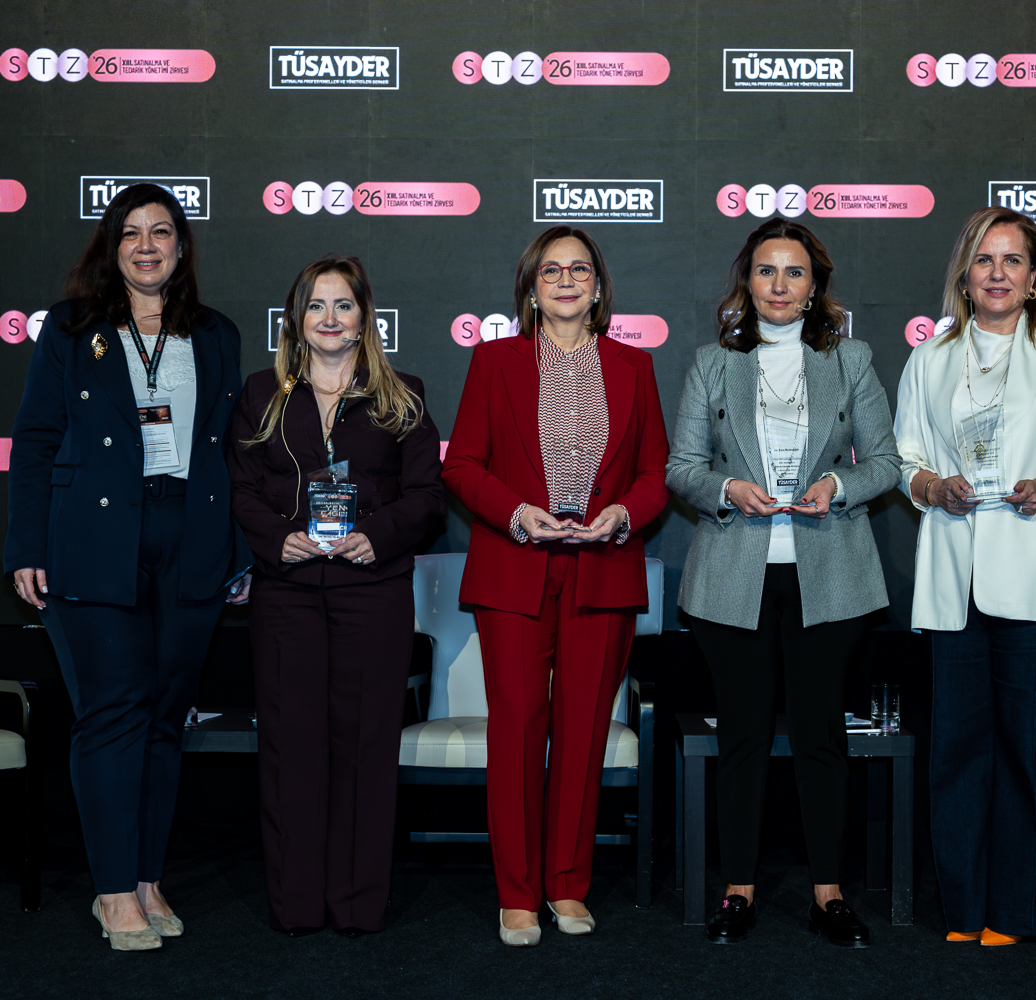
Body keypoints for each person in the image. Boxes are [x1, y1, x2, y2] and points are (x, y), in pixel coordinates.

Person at [4, 183, 249, 951]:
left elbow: (230, 450)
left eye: (161, 232)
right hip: (92, 538)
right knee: (113, 712)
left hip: (192, 538)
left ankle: (146, 878)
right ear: (111, 248)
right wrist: (27, 547)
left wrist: (238, 550)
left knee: (165, 719)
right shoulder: (72, 329)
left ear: (181, 246)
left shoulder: (216, 333)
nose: (147, 246)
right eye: (131, 233)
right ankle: (112, 891)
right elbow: (35, 439)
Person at [893, 206, 1036, 946]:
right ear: (964, 276)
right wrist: (930, 487)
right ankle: (963, 911)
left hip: (1034, 577)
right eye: (984, 260)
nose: (997, 273)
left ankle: (1018, 911)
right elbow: (904, 460)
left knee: (1028, 754)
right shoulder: (929, 359)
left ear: (1034, 280)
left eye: (1013, 261)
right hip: (953, 580)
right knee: (956, 755)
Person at [666, 218, 900, 948]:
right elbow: (681, 468)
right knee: (741, 736)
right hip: (731, 577)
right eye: (766, 270)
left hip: (830, 574)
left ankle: (829, 893)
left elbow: (886, 462)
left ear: (814, 286)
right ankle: (737, 890)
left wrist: (838, 483)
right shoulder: (711, 364)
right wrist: (727, 488)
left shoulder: (851, 359)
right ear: (748, 281)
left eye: (794, 272)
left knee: (821, 736)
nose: (779, 284)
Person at [442, 227, 669, 946]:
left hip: (602, 569)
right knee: (516, 733)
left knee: (583, 734)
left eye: (579, 269)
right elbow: (461, 464)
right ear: (531, 288)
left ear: (598, 287)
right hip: (516, 567)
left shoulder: (634, 366)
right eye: (551, 270)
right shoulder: (495, 361)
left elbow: (656, 473)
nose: (566, 280)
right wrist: (516, 513)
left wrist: (622, 515)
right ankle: (516, 894)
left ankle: (567, 884)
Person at [226, 256, 447, 936]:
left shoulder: (402, 396)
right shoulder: (261, 393)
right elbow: (239, 488)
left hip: (372, 591)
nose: (329, 318)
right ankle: (296, 905)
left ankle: (357, 904)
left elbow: (428, 498)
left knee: (365, 748)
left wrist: (375, 535)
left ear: (363, 318)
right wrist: (277, 539)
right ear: (296, 319)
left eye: (343, 305)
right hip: (287, 593)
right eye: (316, 305)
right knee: (290, 747)